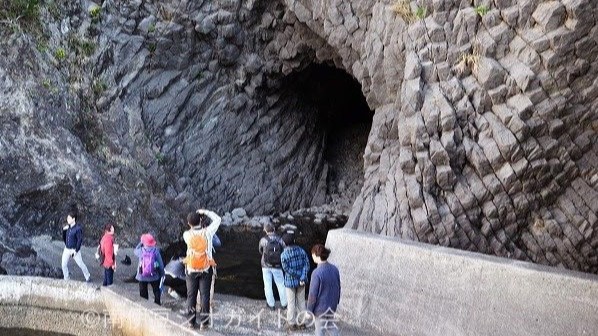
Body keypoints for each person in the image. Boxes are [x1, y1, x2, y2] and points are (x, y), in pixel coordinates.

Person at [181, 209, 221, 330]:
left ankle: (191, 322)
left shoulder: (186, 235)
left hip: (191, 269)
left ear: (189, 224)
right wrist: (205, 212)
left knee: (191, 296)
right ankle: (204, 323)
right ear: (201, 220)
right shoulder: (208, 232)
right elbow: (218, 219)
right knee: (205, 296)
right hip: (205, 268)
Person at [308, 244, 341, 336]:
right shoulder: (334, 269)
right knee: (330, 325)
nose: (312, 257)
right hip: (332, 305)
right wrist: (336, 301)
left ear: (316, 255)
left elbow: (312, 294)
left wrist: (309, 310)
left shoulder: (316, 273)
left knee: (319, 331)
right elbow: (338, 286)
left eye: (313, 255)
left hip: (320, 308)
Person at [281, 233, 310, 331]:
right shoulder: (301, 251)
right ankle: (302, 323)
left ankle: (292, 323)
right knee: (301, 303)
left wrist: (297, 275)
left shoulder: (284, 254)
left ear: (285, 243)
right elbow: (307, 265)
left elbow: (286, 269)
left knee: (291, 303)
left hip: (290, 282)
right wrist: (302, 276)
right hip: (302, 282)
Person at [258, 223, 287, 310]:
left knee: (267, 285)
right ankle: (284, 303)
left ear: (265, 230)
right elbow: (284, 249)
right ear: (274, 229)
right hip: (278, 265)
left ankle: (271, 304)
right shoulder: (280, 239)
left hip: (265, 265)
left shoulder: (263, 240)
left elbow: (260, 250)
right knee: (281, 284)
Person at [61, 207, 91, 282]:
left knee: (80, 264)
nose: (67, 220)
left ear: (73, 219)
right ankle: (66, 278)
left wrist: (76, 250)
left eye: (69, 218)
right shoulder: (67, 228)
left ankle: (87, 276)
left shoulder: (78, 229)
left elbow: (79, 240)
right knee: (63, 264)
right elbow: (65, 239)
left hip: (74, 249)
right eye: (67, 218)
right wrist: (64, 231)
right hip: (67, 249)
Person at [134, 233, 165, 305]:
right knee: (156, 290)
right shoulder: (156, 251)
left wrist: (140, 243)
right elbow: (160, 264)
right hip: (154, 275)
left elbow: (135, 250)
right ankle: (157, 303)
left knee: (143, 291)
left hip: (142, 276)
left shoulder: (140, 251)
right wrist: (162, 274)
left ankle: (145, 305)